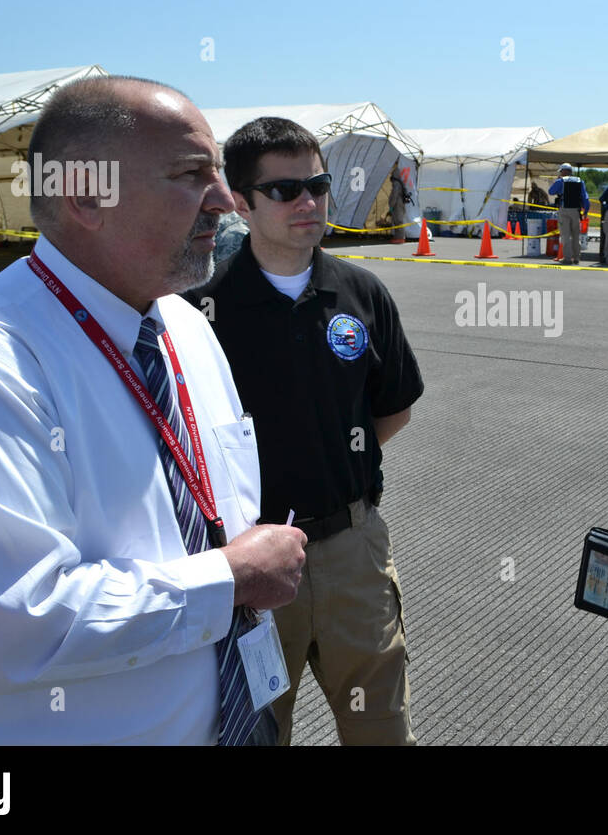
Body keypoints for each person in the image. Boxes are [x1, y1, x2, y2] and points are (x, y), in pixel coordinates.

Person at [0, 76, 308, 745]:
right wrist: (230, 579)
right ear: (86, 196)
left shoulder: (186, 329)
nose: (226, 200)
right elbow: (13, 625)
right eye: (193, 175)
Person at [188, 117, 424, 745]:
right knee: (256, 733)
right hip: (250, 564)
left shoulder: (361, 293)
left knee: (381, 730)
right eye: (285, 190)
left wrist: (327, 454)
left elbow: (391, 409)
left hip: (354, 553)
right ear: (241, 202)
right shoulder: (200, 313)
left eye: (317, 185)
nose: (309, 202)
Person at [548, 163, 589, 265]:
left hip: (564, 210)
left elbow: (551, 191)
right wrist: (586, 211)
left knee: (566, 235)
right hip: (576, 211)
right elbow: (586, 198)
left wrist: (557, 181)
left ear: (563, 171)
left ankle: (567, 258)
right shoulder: (580, 181)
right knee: (576, 235)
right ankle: (576, 258)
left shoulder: (561, 181)